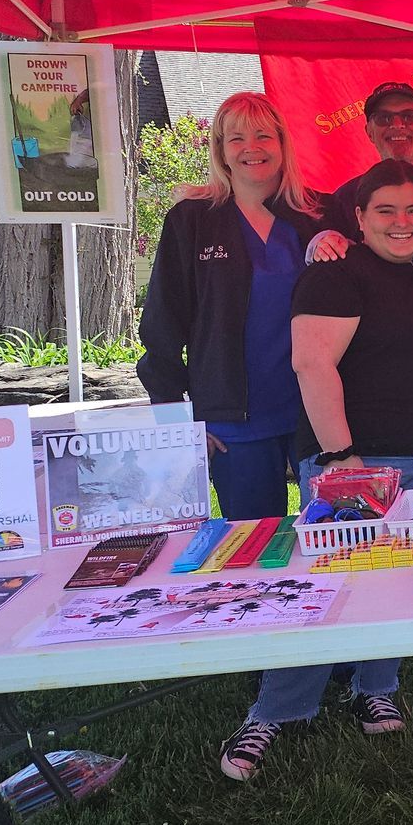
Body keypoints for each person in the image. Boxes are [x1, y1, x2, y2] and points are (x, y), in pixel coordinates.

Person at [217, 159, 413, 781]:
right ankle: (275, 709)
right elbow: (311, 364)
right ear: (358, 218)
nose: (401, 222)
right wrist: (340, 459)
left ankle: (375, 685)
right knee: (324, 590)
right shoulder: (336, 274)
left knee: (396, 581)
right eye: (385, 210)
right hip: (357, 460)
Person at [138, 91, 323, 520]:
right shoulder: (193, 220)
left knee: (333, 545)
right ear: (220, 150)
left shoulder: (318, 215)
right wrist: (175, 422)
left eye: (263, 136)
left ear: (282, 144)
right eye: (236, 138)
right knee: (254, 552)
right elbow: (163, 325)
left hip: (316, 417)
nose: (251, 148)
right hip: (232, 424)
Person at [310, 80, 413, 251]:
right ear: (369, 132)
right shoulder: (346, 199)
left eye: (409, 116)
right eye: (384, 118)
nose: (397, 125)